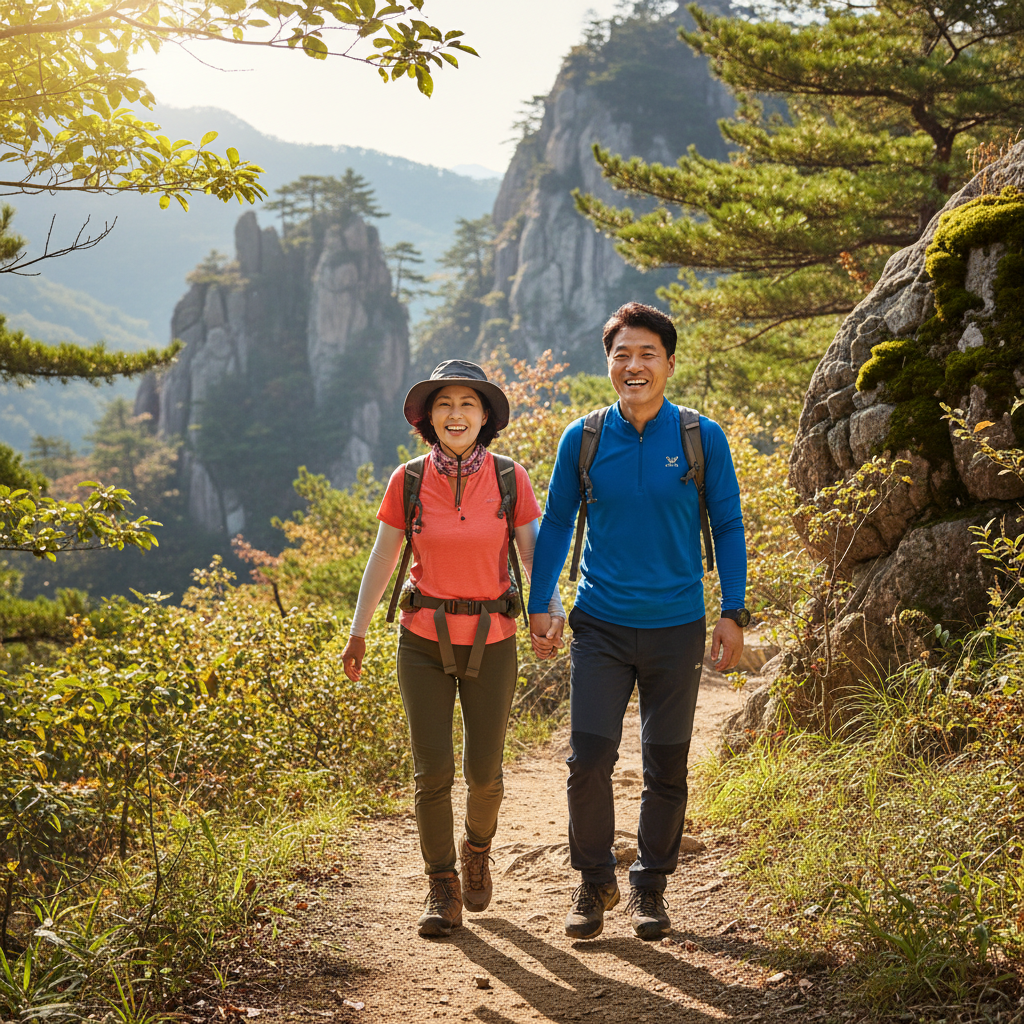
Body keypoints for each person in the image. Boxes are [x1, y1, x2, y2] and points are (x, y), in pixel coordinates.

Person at [527, 302, 748, 941]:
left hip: (677, 624)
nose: (634, 365)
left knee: (666, 763)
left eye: (647, 353)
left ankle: (651, 886)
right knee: (588, 758)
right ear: (608, 364)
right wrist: (542, 605)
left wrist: (732, 611)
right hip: (599, 622)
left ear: (670, 363)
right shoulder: (585, 437)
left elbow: (729, 525)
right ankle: (594, 881)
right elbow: (558, 524)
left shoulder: (701, 437)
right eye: (621, 354)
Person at [341, 360, 565, 938]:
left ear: (485, 415)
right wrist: (359, 629)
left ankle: (477, 850)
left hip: (493, 638)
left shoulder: (511, 478)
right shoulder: (409, 479)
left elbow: (536, 557)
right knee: (432, 770)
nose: (456, 414)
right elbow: (384, 556)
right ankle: (441, 884)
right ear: (429, 418)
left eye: (468, 403)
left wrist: (550, 614)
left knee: (485, 773)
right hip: (421, 638)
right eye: (444, 404)